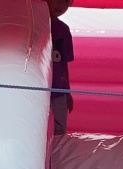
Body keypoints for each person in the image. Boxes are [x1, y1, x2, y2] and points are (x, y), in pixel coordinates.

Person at [49, 0, 74, 136]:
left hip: (58, 91)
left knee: (59, 130)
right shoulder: (32, 25)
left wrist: (67, 92)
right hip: (38, 92)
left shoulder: (63, 30)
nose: (60, 5)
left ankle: (56, 156)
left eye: (65, 1)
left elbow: (64, 65)